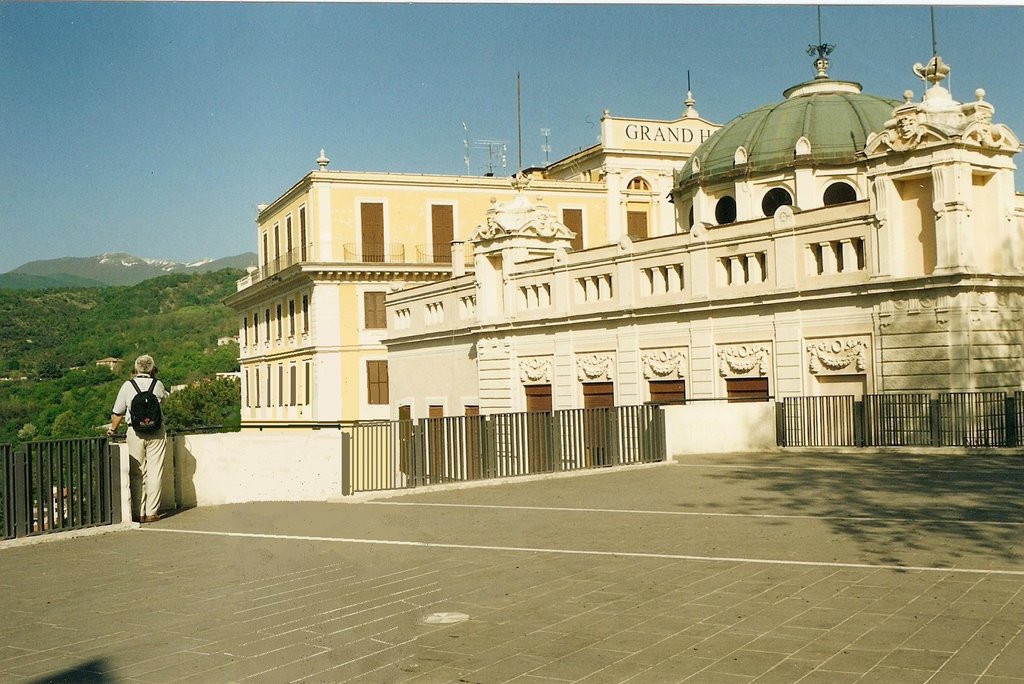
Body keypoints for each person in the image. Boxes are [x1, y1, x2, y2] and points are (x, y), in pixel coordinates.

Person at [108, 354, 168, 523]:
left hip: (135, 432)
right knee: (155, 471)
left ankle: (138, 512)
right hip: (156, 431)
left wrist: (113, 429)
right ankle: (151, 512)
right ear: (152, 369)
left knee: (137, 472)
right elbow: (164, 401)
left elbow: (117, 412)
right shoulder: (158, 385)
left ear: (135, 369)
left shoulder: (127, 386)